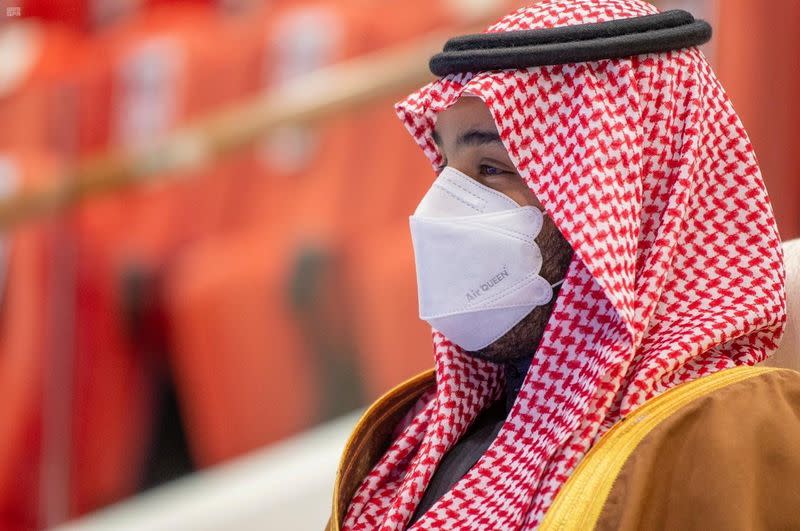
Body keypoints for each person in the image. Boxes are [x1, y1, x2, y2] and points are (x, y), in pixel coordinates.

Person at [328, 1, 800, 529]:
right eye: (447, 169)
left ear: (623, 204)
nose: (440, 209)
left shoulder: (721, 433)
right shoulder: (407, 449)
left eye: (491, 169)